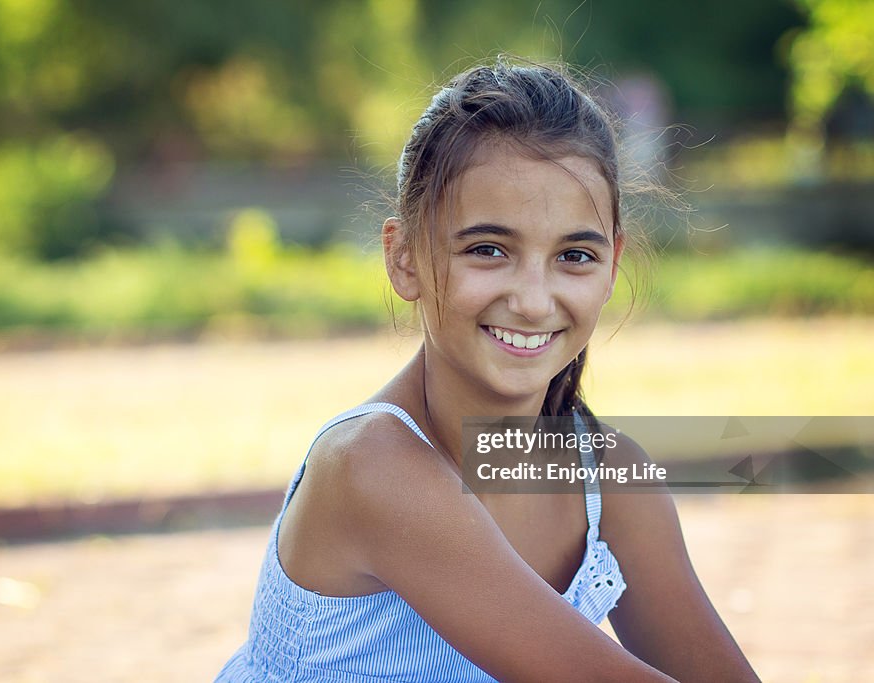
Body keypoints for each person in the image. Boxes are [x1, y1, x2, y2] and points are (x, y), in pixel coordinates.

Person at [216, 60, 759, 682]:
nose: (533, 299)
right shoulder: (371, 467)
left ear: (613, 268)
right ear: (403, 258)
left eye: (575, 255)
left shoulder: (608, 483)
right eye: (488, 250)